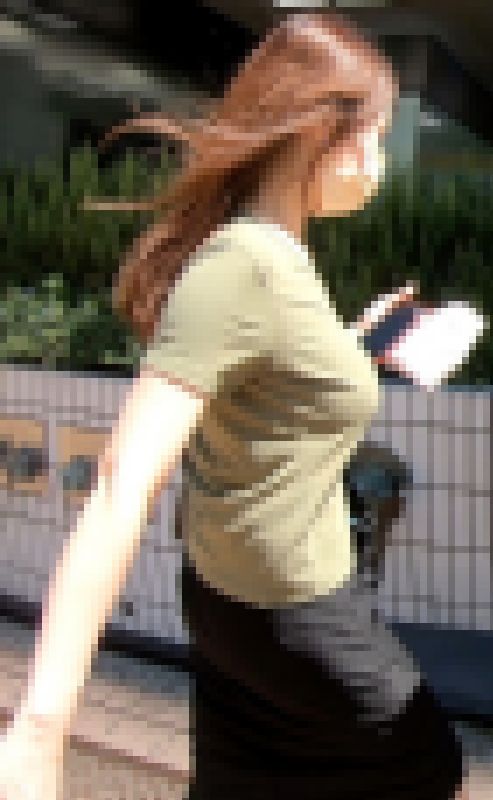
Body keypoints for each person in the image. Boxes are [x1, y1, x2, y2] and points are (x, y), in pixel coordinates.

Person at [0, 11, 469, 800]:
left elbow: (265, 385)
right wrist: (41, 732)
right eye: (377, 137)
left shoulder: (276, 251)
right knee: (423, 764)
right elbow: (119, 486)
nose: (379, 163)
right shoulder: (241, 266)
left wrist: (357, 347)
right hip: (294, 609)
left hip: (235, 593)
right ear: (321, 133)